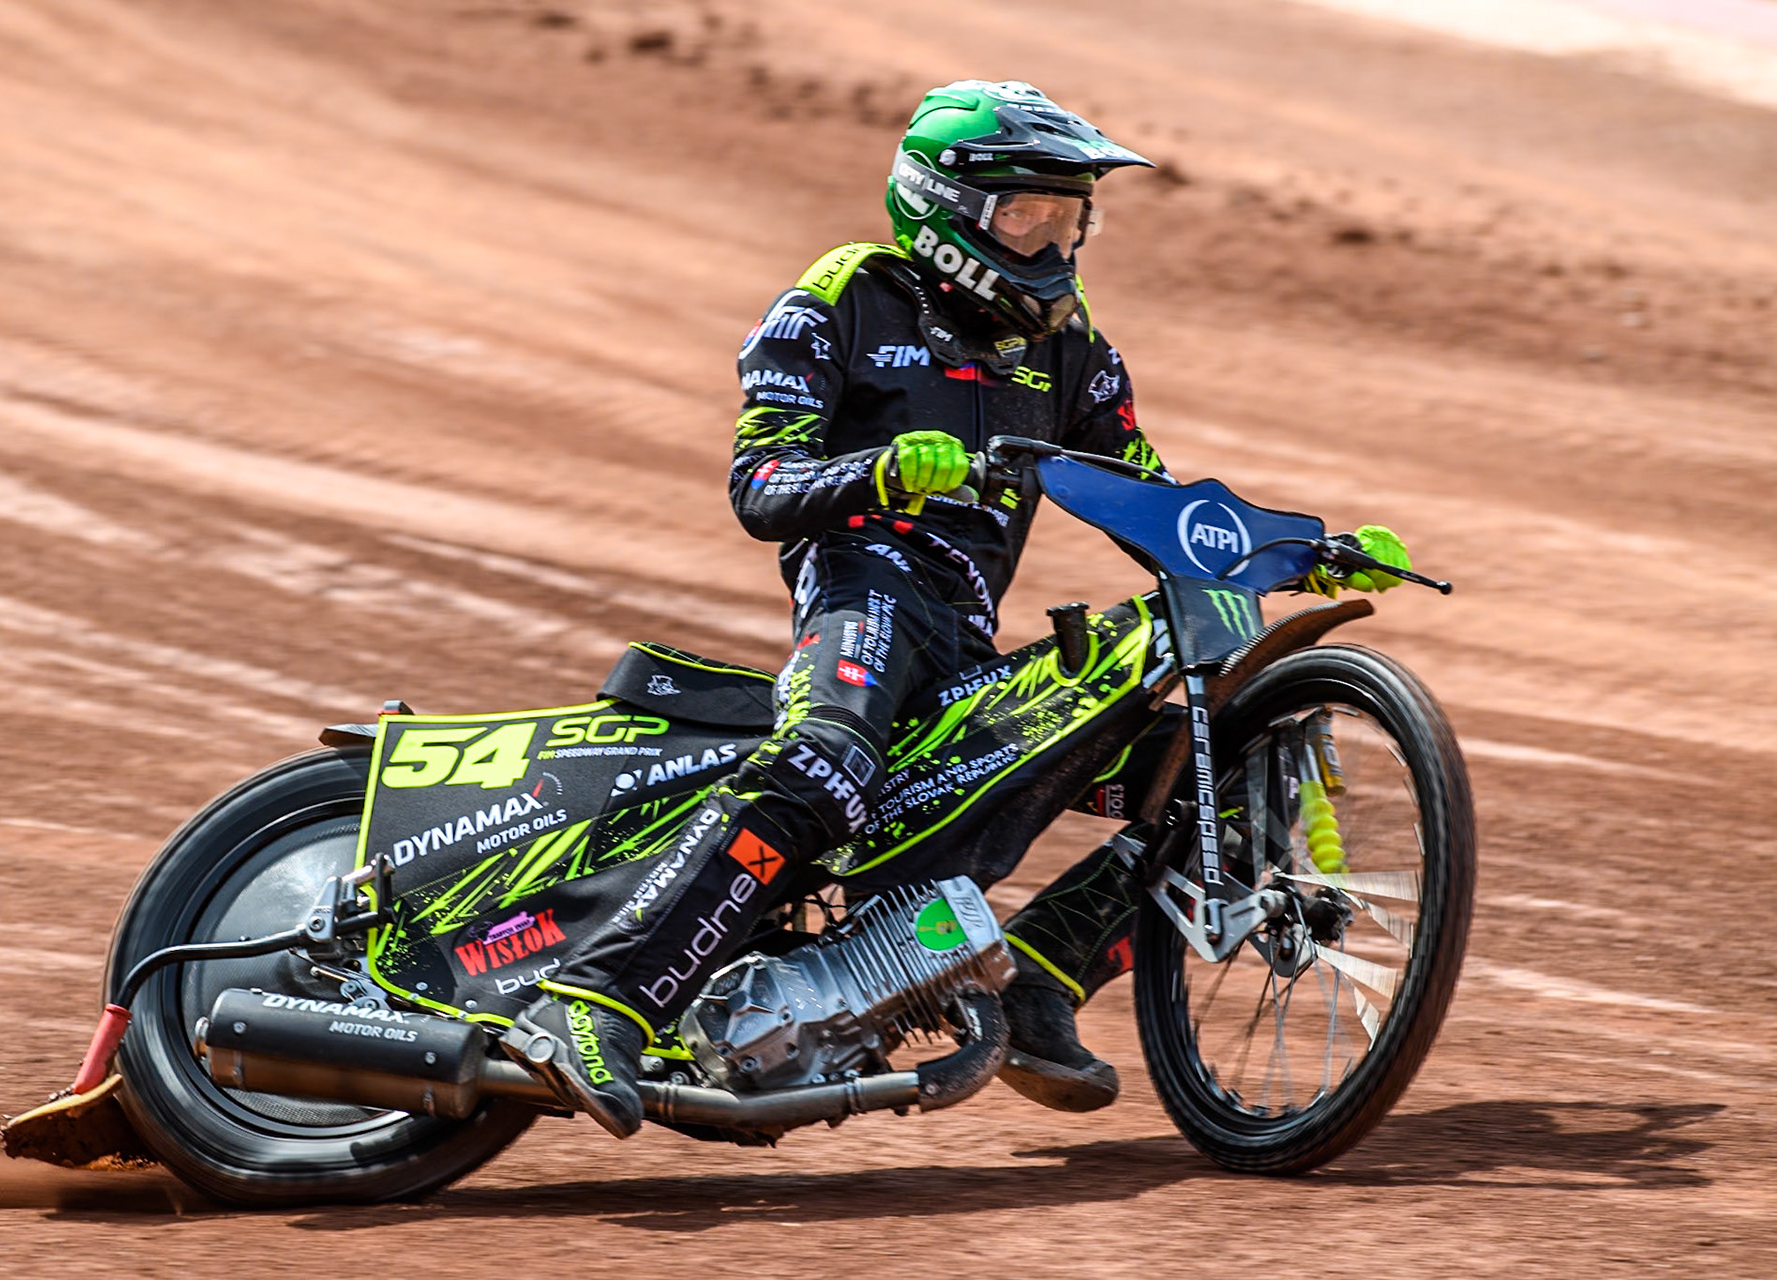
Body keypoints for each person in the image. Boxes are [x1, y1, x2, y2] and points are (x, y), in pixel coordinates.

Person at [502, 79, 1409, 1137]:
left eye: (1069, 216)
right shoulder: (847, 295)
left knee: (1214, 769)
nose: (1051, 238)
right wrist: (883, 469)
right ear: (946, 207)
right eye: (1025, 212)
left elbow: (1151, 505)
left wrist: (1304, 550)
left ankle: (1038, 979)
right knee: (825, 763)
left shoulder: (1075, 350)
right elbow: (759, 487)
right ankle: (593, 999)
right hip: (864, 588)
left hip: (967, 639)